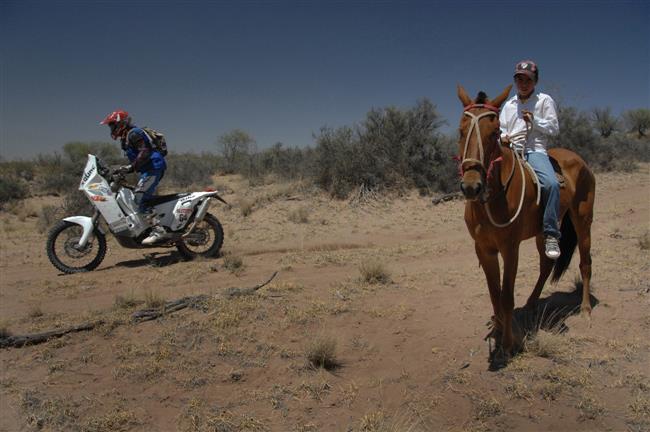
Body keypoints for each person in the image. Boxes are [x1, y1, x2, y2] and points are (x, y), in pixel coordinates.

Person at [499, 60, 561, 259]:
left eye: (528, 79)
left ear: (535, 81)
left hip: (534, 150)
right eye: (519, 79)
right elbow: (501, 129)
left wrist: (535, 121)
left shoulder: (544, 100)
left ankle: (551, 233)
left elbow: (554, 128)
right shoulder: (509, 105)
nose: (523, 83)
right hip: (511, 150)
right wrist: (502, 137)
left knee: (551, 184)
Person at [100, 110, 168, 245]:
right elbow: (137, 158)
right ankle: (148, 227)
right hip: (147, 170)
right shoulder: (126, 137)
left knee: (139, 197)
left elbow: (145, 152)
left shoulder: (134, 133)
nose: (111, 128)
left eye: (113, 125)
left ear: (121, 123)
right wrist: (123, 169)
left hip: (154, 168)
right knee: (137, 197)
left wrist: (131, 167)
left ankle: (158, 230)